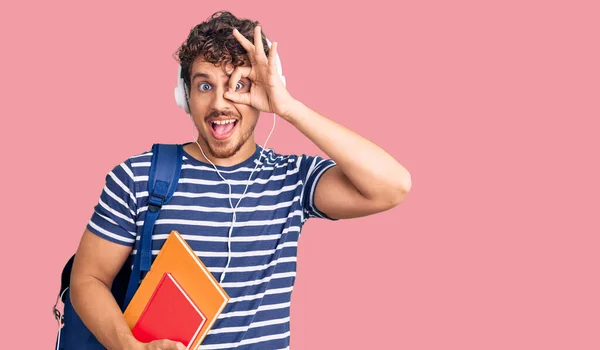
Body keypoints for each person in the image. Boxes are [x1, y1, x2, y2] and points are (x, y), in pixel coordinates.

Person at [69, 10, 412, 350]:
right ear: (185, 96)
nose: (221, 103)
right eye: (205, 85)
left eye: (239, 85)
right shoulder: (138, 176)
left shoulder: (292, 179)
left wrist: (288, 107)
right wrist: (131, 347)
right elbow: (88, 279)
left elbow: (392, 186)